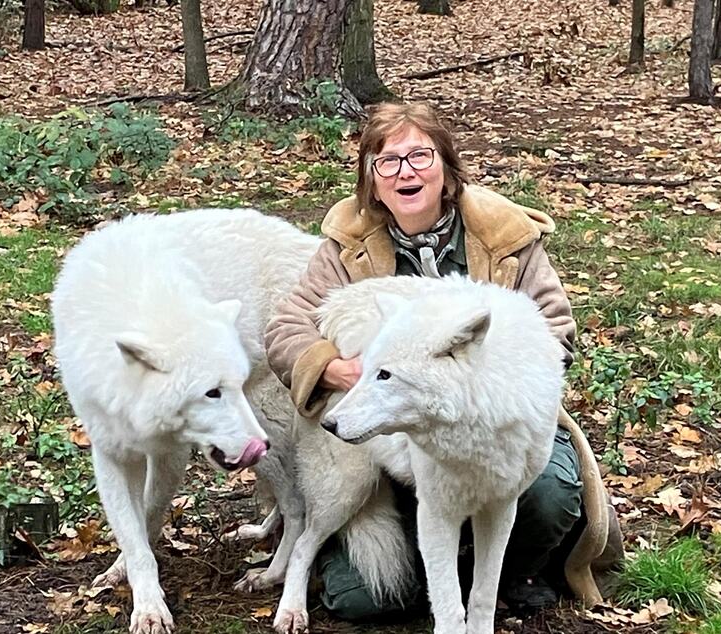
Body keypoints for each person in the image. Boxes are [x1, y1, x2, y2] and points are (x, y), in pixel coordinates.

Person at [264, 102, 621, 620]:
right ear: (372, 179)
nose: (405, 172)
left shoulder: (504, 236)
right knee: (365, 601)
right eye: (387, 162)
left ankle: (512, 570)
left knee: (548, 497)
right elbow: (286, 329)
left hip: (494, 421)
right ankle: (410, 550)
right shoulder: (346, 247)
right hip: (392, 425)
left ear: (447, 168)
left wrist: (493, 384)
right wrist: (337, 369)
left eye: (419, 156)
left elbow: (554, 329)